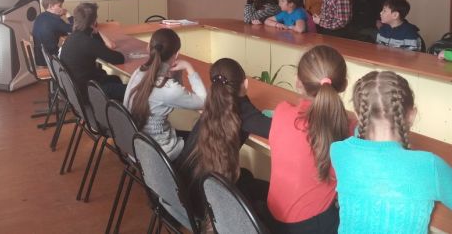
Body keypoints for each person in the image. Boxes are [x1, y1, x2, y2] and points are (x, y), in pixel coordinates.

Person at [331, 71, 452, 234]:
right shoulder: (431, 166)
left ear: (359, 116)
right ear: (411, 115)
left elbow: (360, 137)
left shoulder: (339, 151)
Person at [267, 45, 351, 234]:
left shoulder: (281, 111)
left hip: (274, 220)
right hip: (314, 226)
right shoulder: (348, 129)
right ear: (344, 84)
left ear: (298, 81)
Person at [176, 58, 271, 223]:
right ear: (245, 84)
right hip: (208, 204)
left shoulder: (212, 103)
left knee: (247, 177)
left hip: (185, 194)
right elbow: (271, 128)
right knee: (271, 197)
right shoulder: (243, 111)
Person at [124, 28, 206, 160]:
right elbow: (204, 102)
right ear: (176, 54)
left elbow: (176, 93)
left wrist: (176, 73)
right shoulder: (168, 88)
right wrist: (188, 67)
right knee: (206, 126)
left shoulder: (139, 71)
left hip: (135, 146)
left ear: (149, 47)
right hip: (158, 154)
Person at [59, 2, 125, 101]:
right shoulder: (87, 41)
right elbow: (119, 58)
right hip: (88, 91)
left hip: (74, 89)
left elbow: (100, 46)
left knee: (115, 79)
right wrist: (96, 30)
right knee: (131, 91)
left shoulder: (72, 36)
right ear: (94, 21)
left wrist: (95, 31)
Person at [32, 0, 73, 66]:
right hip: (51, 59)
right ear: (50, 6)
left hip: (40, 58)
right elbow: (77, 29)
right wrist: (67, 14)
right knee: (76, 54)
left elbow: (59, 30)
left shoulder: (40, 16)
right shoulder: (55, 20)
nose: (62, 8)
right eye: (60, 6)